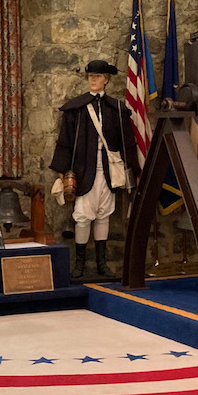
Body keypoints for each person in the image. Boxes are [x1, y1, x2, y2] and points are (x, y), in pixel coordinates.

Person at [50, 59, 139, 279]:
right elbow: (65, 141)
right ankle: (79, 265)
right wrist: (63, 172)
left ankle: (102, 264)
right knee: (82, 216)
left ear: (106, 80)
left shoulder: (117, 110)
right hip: (83, 171)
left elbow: (127, 141)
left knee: (104, 215)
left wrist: (132, 170)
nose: (94, 80)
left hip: (108, 172)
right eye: (91, 76)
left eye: (98, 77)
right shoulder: (76, 109)